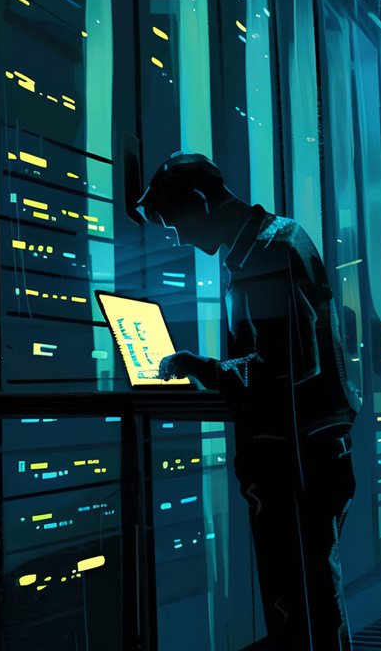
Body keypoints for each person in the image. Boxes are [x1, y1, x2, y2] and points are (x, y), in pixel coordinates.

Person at [136, 152, 360, 650]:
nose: (180, 238)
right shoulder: (269, 243)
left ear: (199, 202)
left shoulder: (266, 253)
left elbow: (284, 366)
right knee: (315, 602)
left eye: (177, 223)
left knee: (298, 608)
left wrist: (204, 369)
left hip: (294, 465)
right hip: (312, 456)